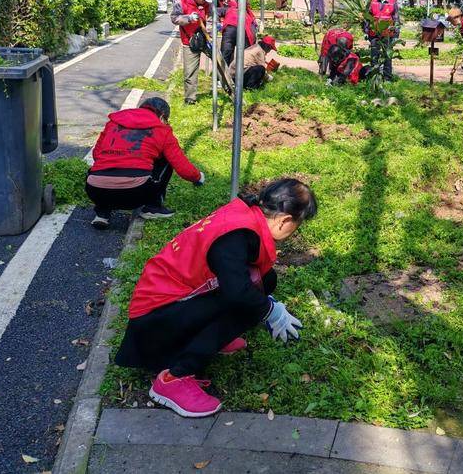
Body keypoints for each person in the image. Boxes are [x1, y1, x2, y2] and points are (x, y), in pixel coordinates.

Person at [114, 179, 317, 418]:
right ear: (285, 220)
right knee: (245, 303)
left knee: (264, 281)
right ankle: (174, 378)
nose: (294, 232)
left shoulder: (244, 214)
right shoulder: (236, 235)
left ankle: (207, 338)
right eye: (297, 225)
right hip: (153, 324)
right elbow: (238, 293)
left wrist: (265, 304)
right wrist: (270, 311)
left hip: (169, 306)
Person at [86, 98, 205, 229]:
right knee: (166, 157)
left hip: (95, 190)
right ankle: (153, 207)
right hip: (135, 193)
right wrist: (198, 177)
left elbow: (96, 154)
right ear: (162, 116)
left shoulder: (113, 123)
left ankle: (102, 213)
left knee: (102, 166)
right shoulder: (162, 130)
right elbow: (182, 166)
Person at [171, 0, 211, 105]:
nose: (205, 2)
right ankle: (190, 99)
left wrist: (212, 26)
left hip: (206, 39)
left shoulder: (206, 3)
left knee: (220, 62)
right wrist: (189, 18)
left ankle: (230, 87)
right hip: (190, 41)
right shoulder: (181, 1)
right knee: (190, 72)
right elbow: (174, 18)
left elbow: (211, 15)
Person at [366, 0, 400, 81]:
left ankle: (387, 77)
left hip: (387, 33)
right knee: (374, 54)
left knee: (387, 55)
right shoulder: (373, 1)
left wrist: (396, 33)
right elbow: (368, 17)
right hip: (374, 32)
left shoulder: (392, 2)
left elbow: (396, 18)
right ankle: (374, 77)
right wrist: (366, 30)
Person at [219, 0, 258, 70]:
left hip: (240, 31)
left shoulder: (246, 10)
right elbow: (217, 11)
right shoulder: (231, 7)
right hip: (233, 30)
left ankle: (237, 72)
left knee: (232, 54)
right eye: (247, 0)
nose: (249, 2)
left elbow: (252, 23)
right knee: (227, 54)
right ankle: (224, 74)